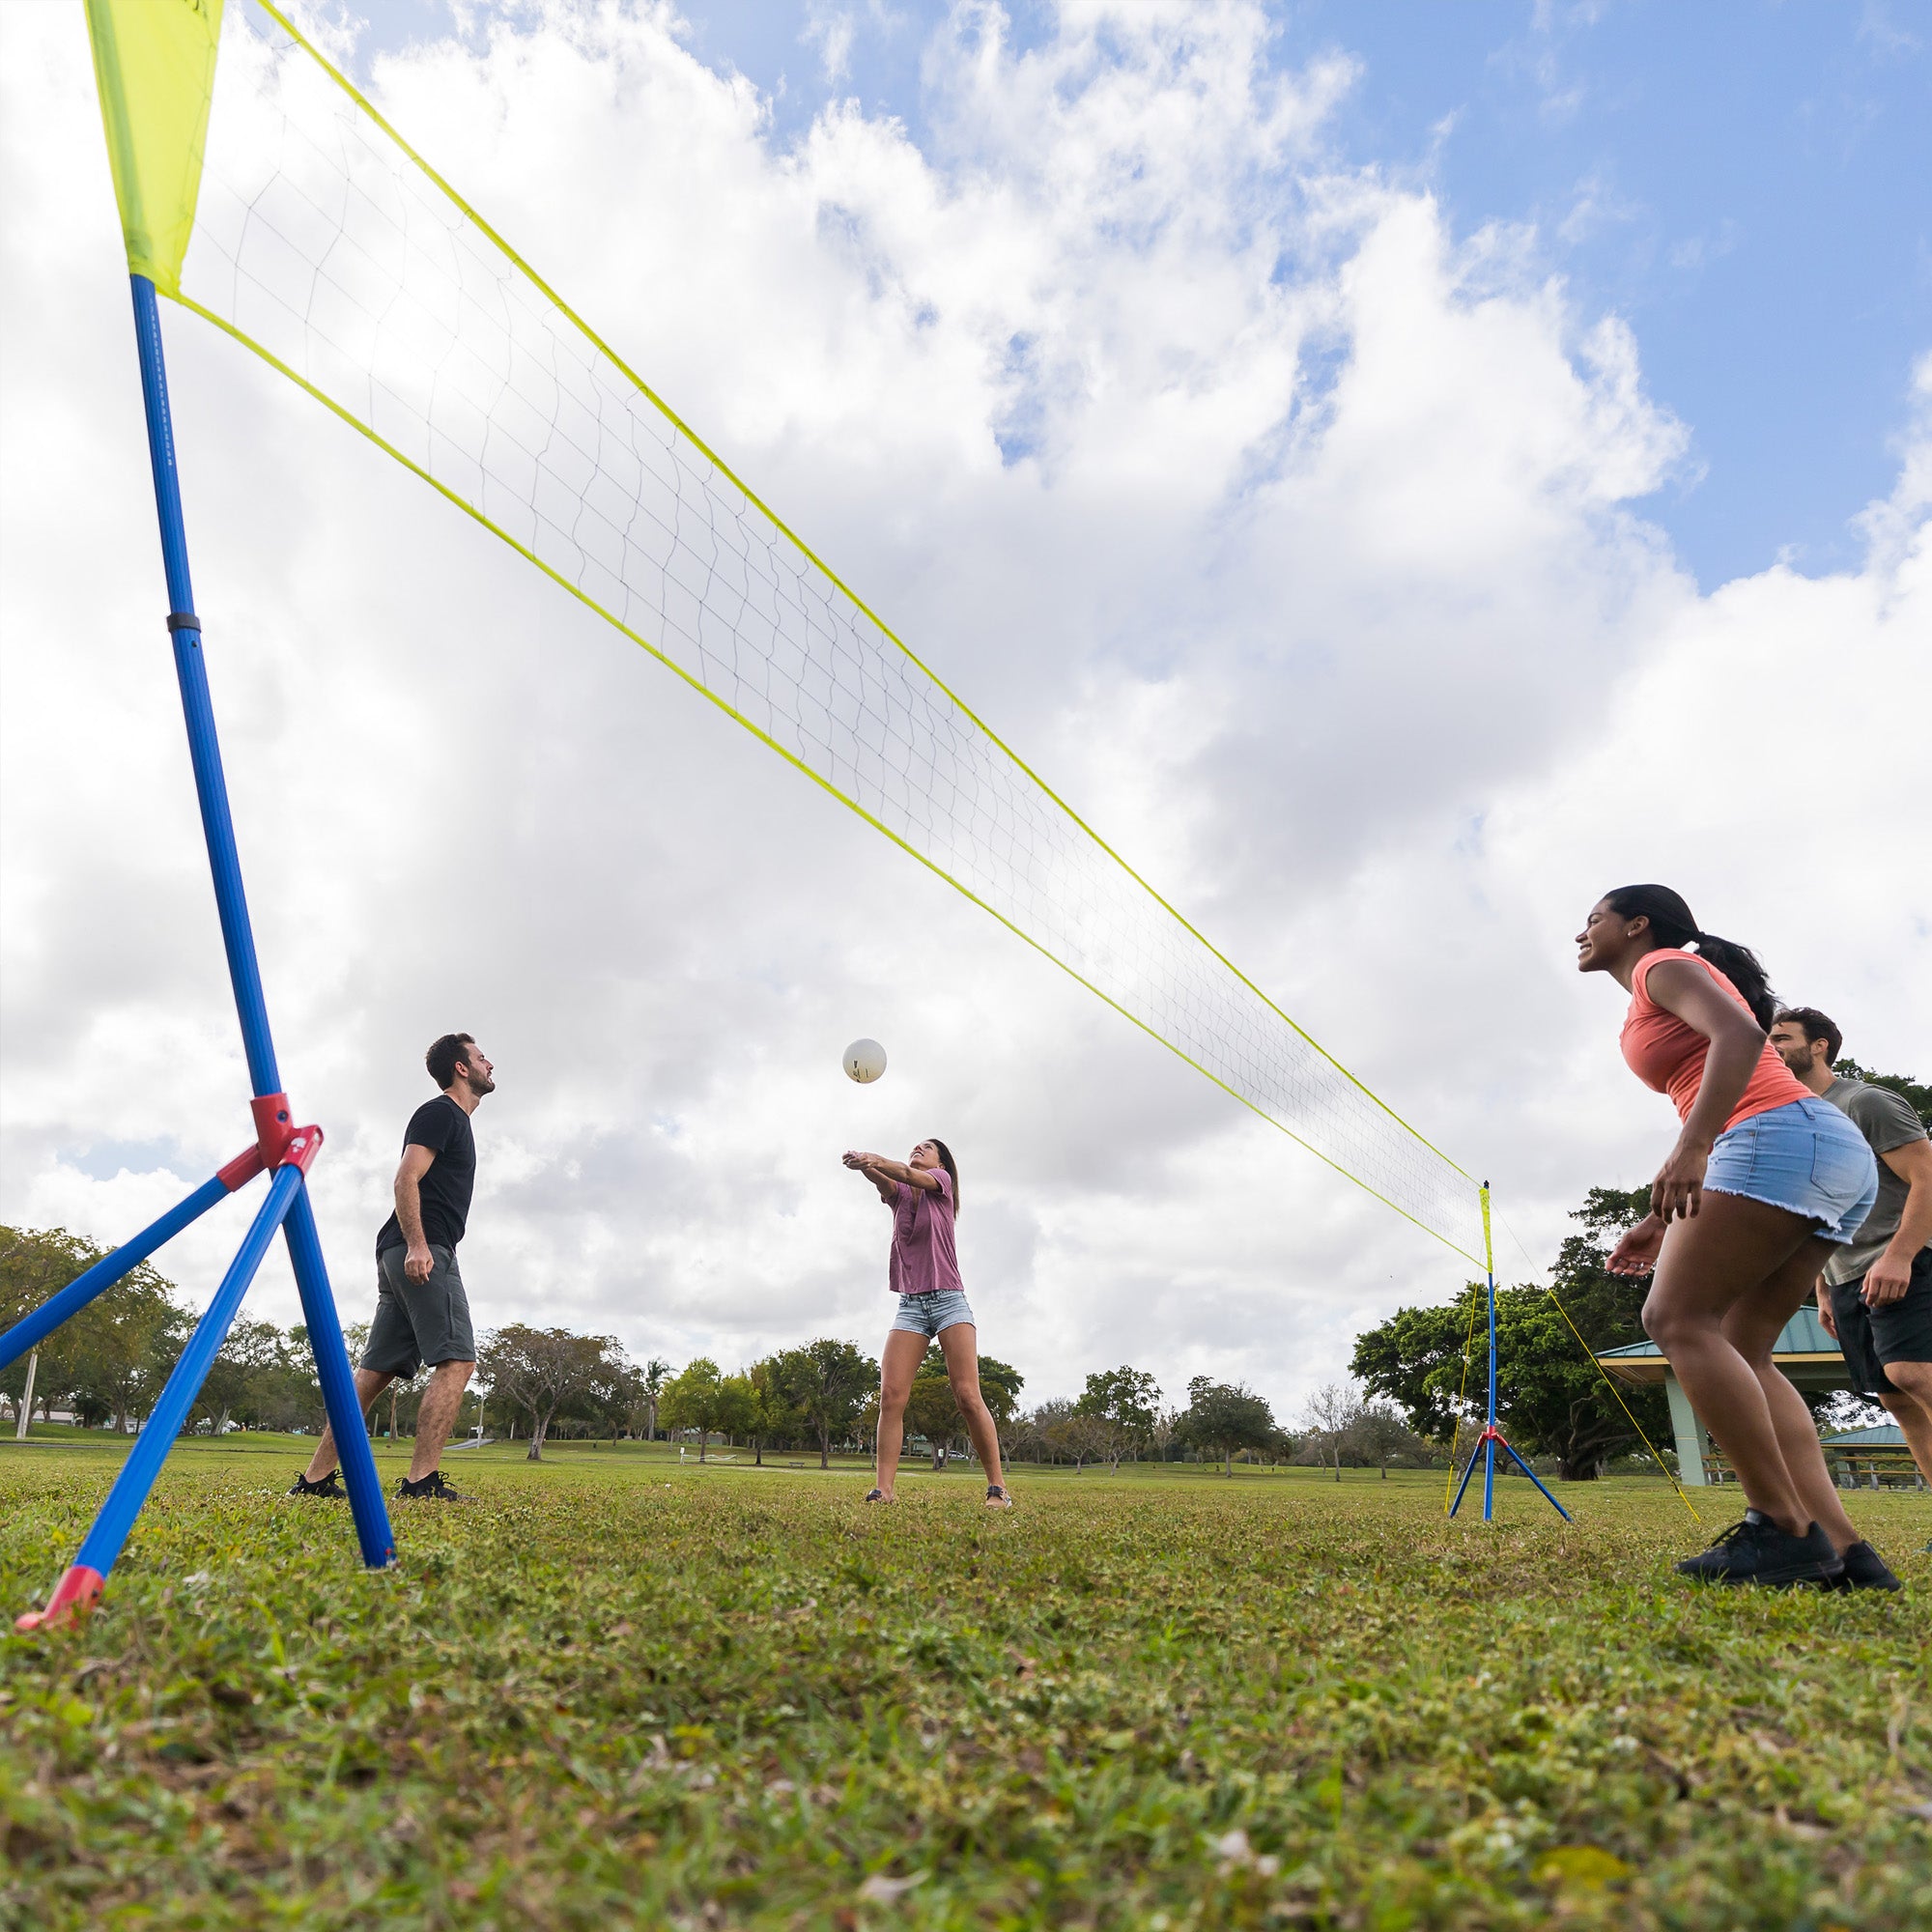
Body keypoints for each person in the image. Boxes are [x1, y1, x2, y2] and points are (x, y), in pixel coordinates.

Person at [1579, 886, 1897, 1589]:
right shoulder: (1653, 987)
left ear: (1636, 924)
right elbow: (1714, 1080)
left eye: (1594, 917)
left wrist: (1689, 1152)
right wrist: (1663, 1219)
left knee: (1674, 1318)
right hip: (1815, 1150)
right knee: (1745, 1348)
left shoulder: (1663, 964)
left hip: (1780, 1138)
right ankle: (1845, 1553)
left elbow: (1743, 1038)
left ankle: (1779, 1528)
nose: (1583, 930)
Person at [292, 1033, 495, 1503]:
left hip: (400, 1252)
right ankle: (422, 1482)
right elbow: (406, 1177)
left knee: (374, 1373)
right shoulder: (440, 1112)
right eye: (481, 1057)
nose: (490, 1063)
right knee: (459, 1360)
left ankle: (315, 1481)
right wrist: (419, 1246)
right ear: (461, 1069)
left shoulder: (456, 1120)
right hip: (421, 1250)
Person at [1769, 1007, 1932, 1491]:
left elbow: (1926, 1177)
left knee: (1914, 1375)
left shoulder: (1864, 1102)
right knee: (1895, 1397)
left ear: (1819, 1045)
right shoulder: (1793, 1119)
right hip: (1845, 1277)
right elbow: (1814, 1211)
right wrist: (1821, 1287)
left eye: (1782, 1037)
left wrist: (1899, 1256)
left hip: (1904, 1260)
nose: (1771, 1046)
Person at [842, 1139, 1012, 1508]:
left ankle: (997, 1487)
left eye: (928, 1147)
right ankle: (883, 1491)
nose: (918, 1149)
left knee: (968, 1395)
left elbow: (902, 1171)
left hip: (949, 1299)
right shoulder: (901, 1193)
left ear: (942, 1162)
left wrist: (875, 1158)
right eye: (915, 1147)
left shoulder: (941, 1183)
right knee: (891, 1396)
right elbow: (887, 1181)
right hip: (911, 1305)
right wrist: (863, 1165)